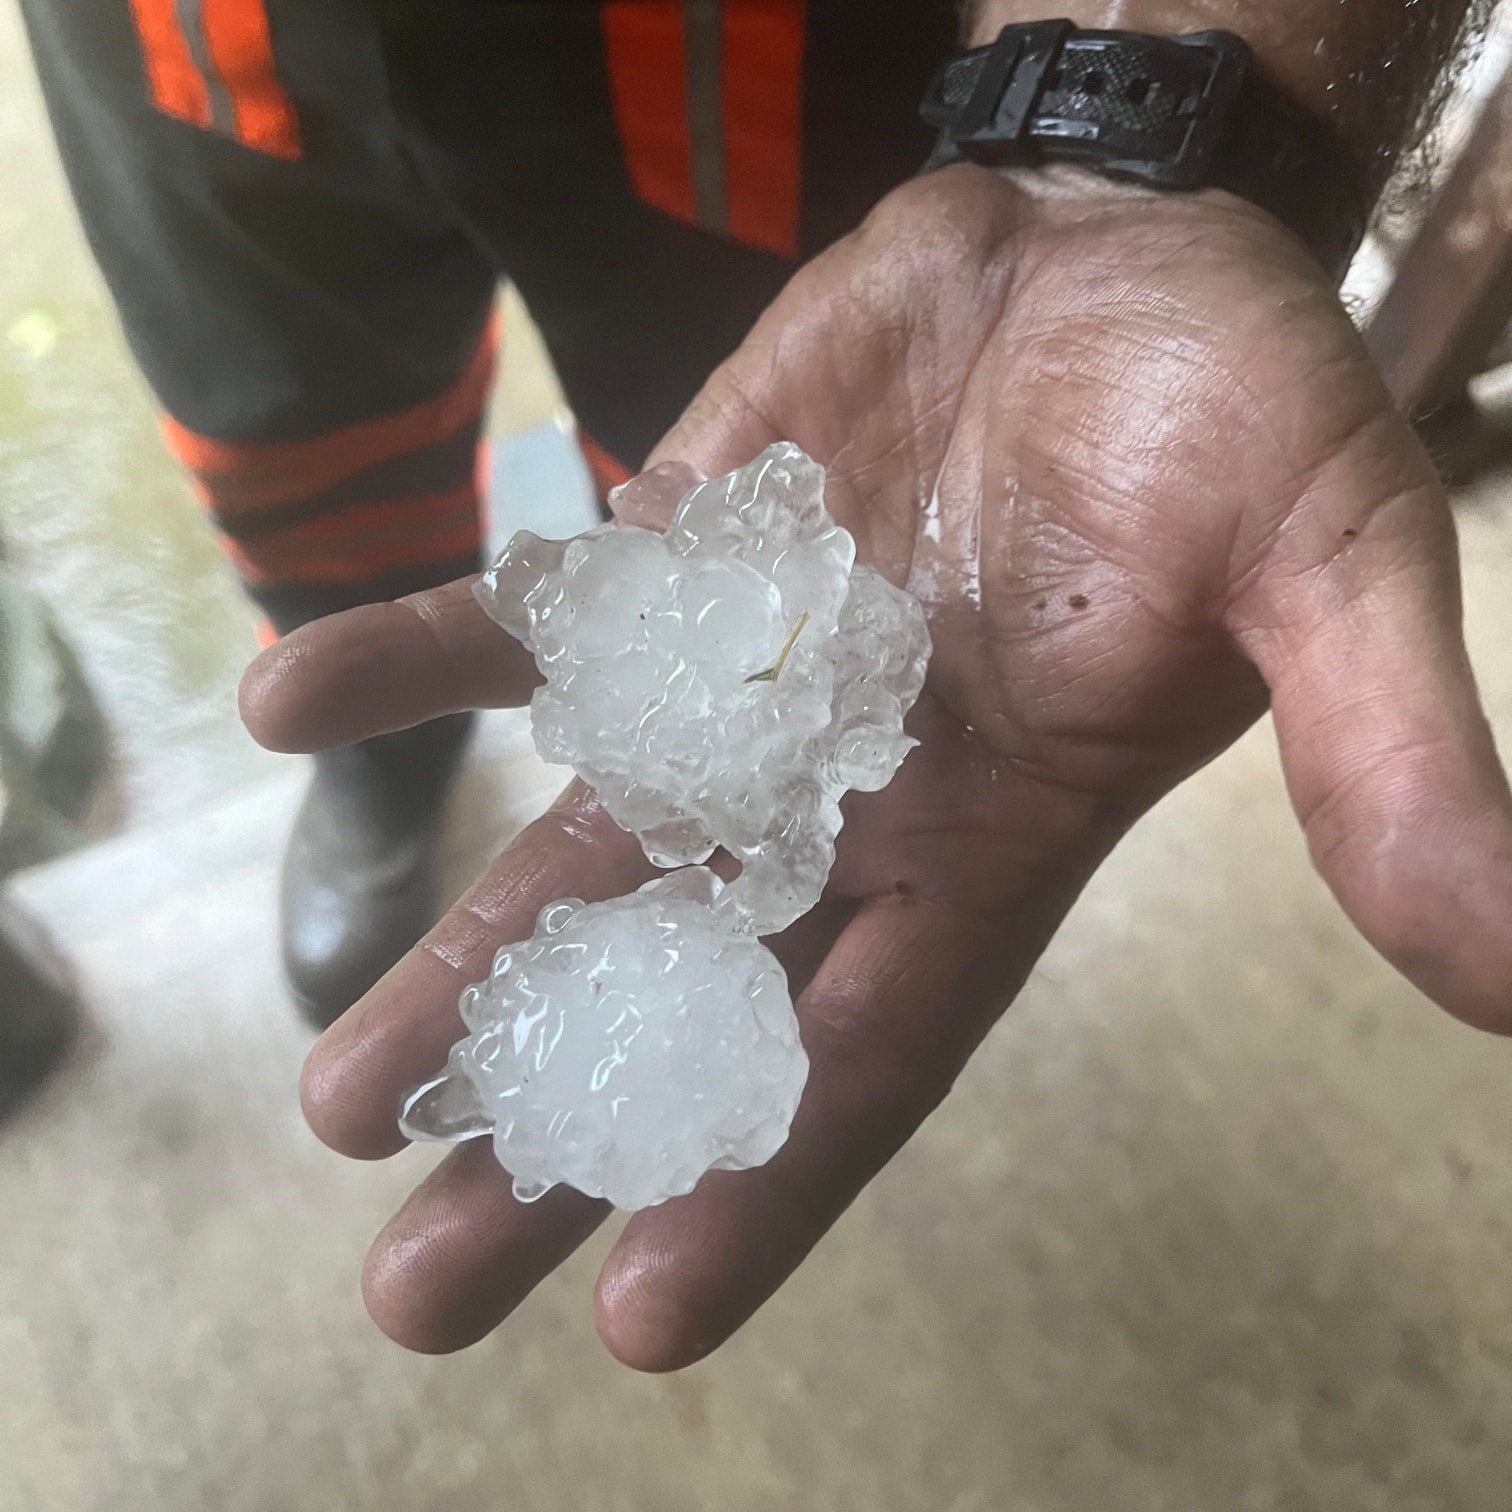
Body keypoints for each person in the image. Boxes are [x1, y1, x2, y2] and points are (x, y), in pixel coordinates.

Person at [35, 0, 1512, 1364]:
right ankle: (380, 773)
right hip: (187, 52)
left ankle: (398, 754)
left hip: (732, 69)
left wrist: (1145, 125)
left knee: (701, 423)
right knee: (302, 466)